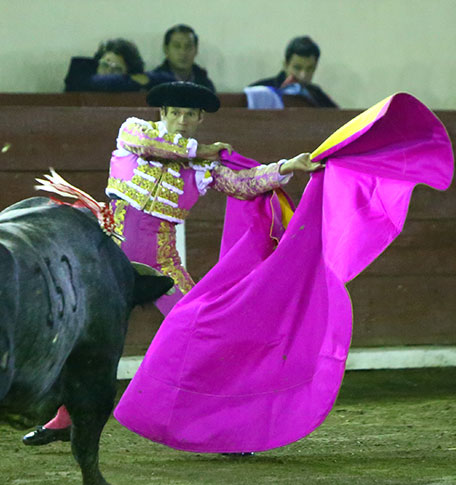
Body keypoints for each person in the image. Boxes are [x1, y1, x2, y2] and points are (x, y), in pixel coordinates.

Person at [23, 82, 322, 445]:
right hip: (105, 255)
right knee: (83, 335)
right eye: (175, 113)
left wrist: (287, 166)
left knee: (200, 329)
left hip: (161, 262)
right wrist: (201, 151)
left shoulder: (205, 166)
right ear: (162, 113)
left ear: (199, 118)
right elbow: (150, 146)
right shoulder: (134, 130)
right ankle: (65, 419)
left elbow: (243, 183)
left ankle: (222, 425)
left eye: (189, 114)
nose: (181, 120)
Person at [249, 35, 337, 108]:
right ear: (285, 65)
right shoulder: (262, 90)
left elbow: (338, 119)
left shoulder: (317, 95)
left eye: (309, 69)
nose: (303, 75)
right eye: (297, 68)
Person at [64, 38, 173, 92]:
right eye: (105, 65)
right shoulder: (81, 78)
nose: (108, 72)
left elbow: (168, 81)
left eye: (116, 69)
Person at [148, 25, 215, 92]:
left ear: (196, 50)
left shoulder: (205, 85)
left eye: (188, 46)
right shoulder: (153, 83)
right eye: (177, 46)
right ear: (166, 49)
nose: (183, 52)